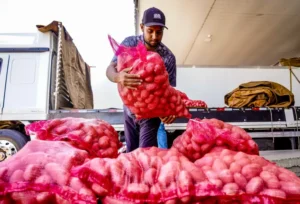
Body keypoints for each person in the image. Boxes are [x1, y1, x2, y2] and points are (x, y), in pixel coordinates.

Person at [106, 7, 177, 152]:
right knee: (131, 151)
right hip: (128, 109)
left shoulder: (168, 57)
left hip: (151, 113)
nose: (154, 36)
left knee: (145, 154)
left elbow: (169, 91)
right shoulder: (129, 43)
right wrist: (118, 76)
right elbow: (110, 69)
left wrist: (169, 109)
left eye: (159, 32)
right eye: (150, 31)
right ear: (142, 27)